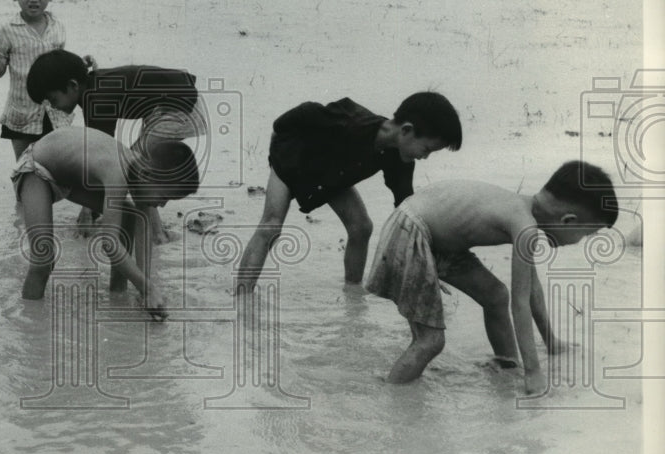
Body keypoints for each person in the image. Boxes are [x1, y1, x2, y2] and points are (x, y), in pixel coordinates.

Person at [365, 160, 618, 396]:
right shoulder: (525, 227)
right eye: (586, 234)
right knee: (430, 342)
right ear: (568, 220)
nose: (581, 241)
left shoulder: (524, 213)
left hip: (439, 239)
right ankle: (391, 399)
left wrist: (551, 342)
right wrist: (534, 372)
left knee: (495, 296)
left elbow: (533, 291)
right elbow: (520, 304)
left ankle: (507, 369)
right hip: (412, 231)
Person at [235, 93, 462, 296]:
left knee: (361, 227)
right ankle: (242, 294)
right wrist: (278, 134)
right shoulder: (350, 120)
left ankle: (352, 290)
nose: (425, 158)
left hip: (330, 178)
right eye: (426, 150)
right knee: (271, 226)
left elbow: (407, 212)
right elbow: (306, 111)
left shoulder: (399, 159)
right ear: (406, 130)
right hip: (291, 162)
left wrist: (427, 264)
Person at [12, 126, 200, 320]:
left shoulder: (141, 173)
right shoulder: (118, 173)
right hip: (36, 169)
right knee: (43, 259)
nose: (162, 204)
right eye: (163, 196)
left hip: (67, 178)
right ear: (148, 176)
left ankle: (117, 292)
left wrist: (144, 289)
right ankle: (29, 322)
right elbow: (109, 243)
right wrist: (148, 288)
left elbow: (142, 225)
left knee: (130, 216)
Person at [26, 49, 206, 241]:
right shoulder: (92, 89)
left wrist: (88, 210)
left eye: (53, 100)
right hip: (169, 104)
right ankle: (154, 230)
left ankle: (156, 234)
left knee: (136, 171)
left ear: (73, 86)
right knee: (136, 169)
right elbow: (100, 156)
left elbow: (103, 157)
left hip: (180, 109)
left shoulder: (97, 100)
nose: (53, 107)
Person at [0, 0, 75, 161]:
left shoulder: (58, 27)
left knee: (54, 165)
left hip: (53, 113)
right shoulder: (7, 30)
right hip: (22, 114)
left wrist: (80, 64)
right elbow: (0, 70)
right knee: (25, 166)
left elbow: (62, 66)